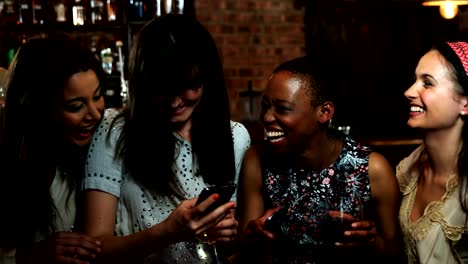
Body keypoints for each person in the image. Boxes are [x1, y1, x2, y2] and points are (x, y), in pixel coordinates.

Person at [81, 14, 251, 263]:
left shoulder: (236, 136)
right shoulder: (114, 129)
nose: (173, 102)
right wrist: (168, 232)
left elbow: (232, 249)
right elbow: (94, 248)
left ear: (206, 77)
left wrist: (227, 235)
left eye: (186, 86)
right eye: (160, 89)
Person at [236, 56, 404, 263]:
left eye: (283, 108)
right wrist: (252, 238)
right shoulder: (258, 160)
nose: (267, 117)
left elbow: (395, 253)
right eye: (265, 106)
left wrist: (371, 242)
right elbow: (244, 252)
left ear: (324, 112)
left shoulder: (371, 168)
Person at [0, 33, 105, 263]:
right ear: (39, 109)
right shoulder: (10, 173)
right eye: (76, 106)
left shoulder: (97, 151)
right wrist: (32, 256)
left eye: (97, 96)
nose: (95, 114)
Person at [397, 41, 468, 263]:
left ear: (465, 103)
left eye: (427, 83)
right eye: (415, 80)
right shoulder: (409, 167)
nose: (409, 92)